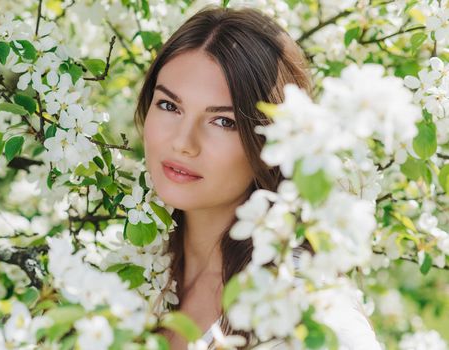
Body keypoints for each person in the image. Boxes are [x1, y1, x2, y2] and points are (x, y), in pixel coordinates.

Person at [134, 5, 381, 350]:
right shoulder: (134, 267)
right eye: (169, 106)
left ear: (273, 141)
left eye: (224, 122)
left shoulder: (307, 306)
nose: (182, 143)